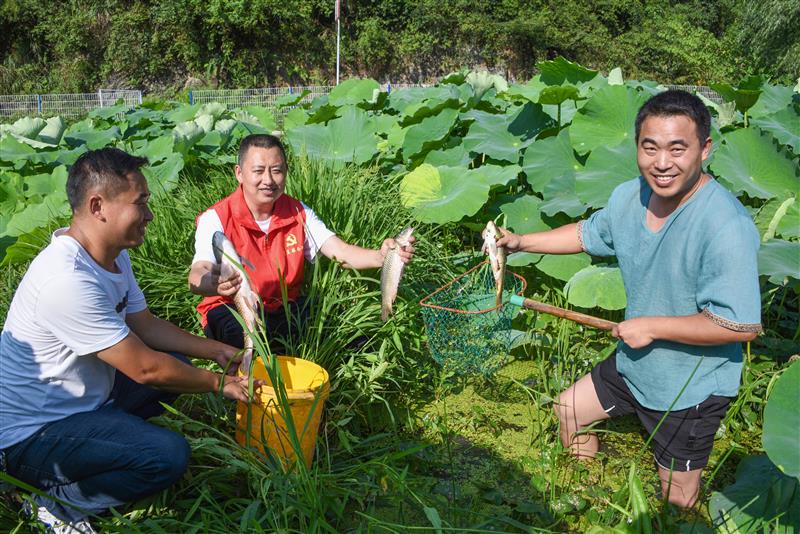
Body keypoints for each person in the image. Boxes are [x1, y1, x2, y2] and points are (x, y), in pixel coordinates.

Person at [496, 90, 761, 508]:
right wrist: (521, 242)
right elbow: (588, 234)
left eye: (678, 148)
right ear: (636, 145)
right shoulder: (628, 196)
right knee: (568, 410)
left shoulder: (726, 224)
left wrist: (652, 326)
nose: (661, 163)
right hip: (634, 364)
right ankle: (588, 497)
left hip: (688, 387)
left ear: (705, 149)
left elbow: (740, 325)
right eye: (649, 147)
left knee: (676, 503)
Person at [0, 148, 255, 533]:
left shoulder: (112, 256)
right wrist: (223, 384)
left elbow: (145, 325)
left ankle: (108, 441)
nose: (150, 215)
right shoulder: (66, 279)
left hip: (83, 401)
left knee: (178, 364)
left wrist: (217, 351)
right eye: (141, 203)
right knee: (166, 455)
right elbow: (146, 368)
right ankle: (56, 506)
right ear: (98, 206)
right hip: (32, 436)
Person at [188, 134, 414, 351]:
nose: (268, 180)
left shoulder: (298, 212)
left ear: (286, 172)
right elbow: (197, 274)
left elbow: (339, 251)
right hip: (233, 307)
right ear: (239, 173)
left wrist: (382, 257)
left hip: (285, 306)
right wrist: (216, 283)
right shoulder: (216, 217)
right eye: (258, 171)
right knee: (239, 337)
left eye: (276, 171)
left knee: (350, 334)